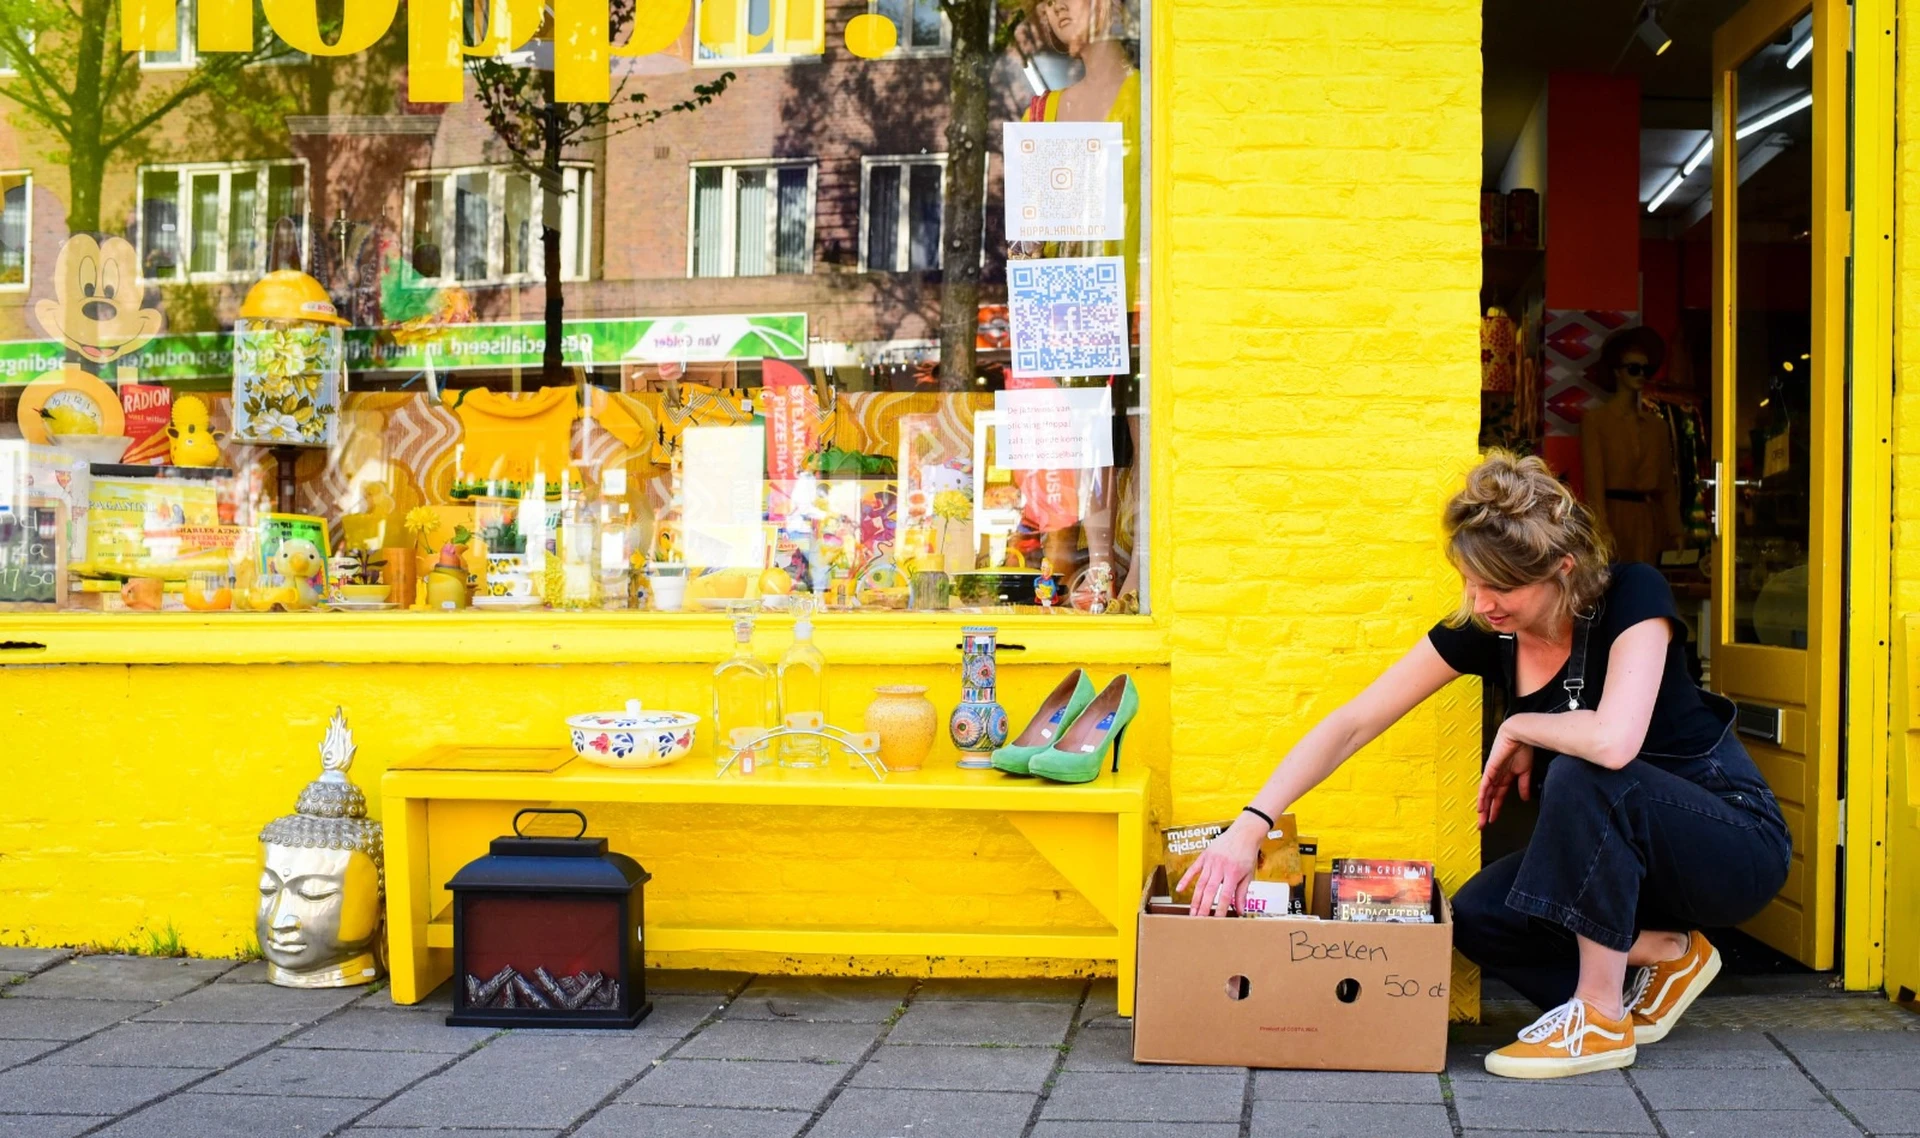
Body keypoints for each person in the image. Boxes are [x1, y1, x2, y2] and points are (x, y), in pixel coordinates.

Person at [1177, 452, 1790, 1080]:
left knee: (1583, 772)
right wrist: (1252, 823)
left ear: (1563, 569)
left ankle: (1600, 1014)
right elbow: (1353, 721)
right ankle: (1666, 953)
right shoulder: (1488, 627)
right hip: (1631, 876)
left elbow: (1612, 741)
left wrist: (1520, 724)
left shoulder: (1632, 594)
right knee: (1480, 915)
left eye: (1501, 587)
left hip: (1727, 842)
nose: (1482, 603)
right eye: (1471, 584)